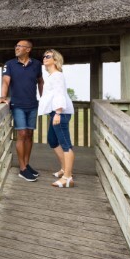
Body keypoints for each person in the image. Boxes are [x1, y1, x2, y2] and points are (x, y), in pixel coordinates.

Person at [0, 40, 44, 182]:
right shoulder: (9, 64)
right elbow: (6, 81)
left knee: (29, 134)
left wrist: (44, 98)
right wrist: (3, 97)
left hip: (33, 105)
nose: (16, 48)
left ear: (28, 49)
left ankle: (27, 165)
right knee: (22, 134)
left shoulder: (36, 64)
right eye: (16, 46)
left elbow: (40, 81)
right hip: (17, 105)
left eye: (19, 46)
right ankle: (22, 169)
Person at [38, 49, 76, 188]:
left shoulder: (57, 75)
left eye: (48, 56)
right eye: (44, 56)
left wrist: (58, 113)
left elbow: (59, 94)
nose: (44, 58)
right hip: (55, 112)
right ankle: (64, 169)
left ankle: (68, 177)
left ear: (55, 60)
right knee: (53, 140)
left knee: (65, 144)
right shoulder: (52, 76)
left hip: (60, 112)